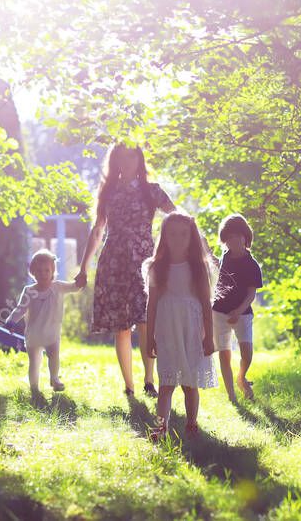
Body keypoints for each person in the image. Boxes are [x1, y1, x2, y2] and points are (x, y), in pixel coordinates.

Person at [75, 143, 176, 397]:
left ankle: (149, 380)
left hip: (144, 260)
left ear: (139, 160)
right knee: (121, 325)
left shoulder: (152, 191)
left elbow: (176, 217)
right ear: (115, 161)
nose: (127, 162)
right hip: (114, 261)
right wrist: (84, 267)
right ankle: (129, 386)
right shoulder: (108, 192)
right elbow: (98, 230)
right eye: (122, 157)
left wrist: (179, 250)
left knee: (145, 320)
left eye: (132, 157)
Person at [144, 212, 217, 440]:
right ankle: (160, 427)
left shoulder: (198, 267)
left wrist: (209, 337)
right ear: (164, 237)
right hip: (167, 330)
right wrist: (149, 338)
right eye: (172, 234)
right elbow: (152, 304)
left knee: (189, 383)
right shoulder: (157, 267)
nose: (177, 239)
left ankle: (192, 424)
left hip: (191, 329)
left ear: (191, 237)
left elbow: (206, 304)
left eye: (183, 234)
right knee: (166, 384)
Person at [4, 249, 81, 394]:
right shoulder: (29, 291)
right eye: (39, 271)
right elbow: (20, 309)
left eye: (47, 270)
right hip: (34, 335)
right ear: (33, 272)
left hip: (52, 334)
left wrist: (81, 280)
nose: (43, 274)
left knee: (54, 356)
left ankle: (54, 379)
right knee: (34, 362)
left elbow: (74, 287)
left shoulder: (58, 287)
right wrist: (11, 321)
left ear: (53, 271)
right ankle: (34, 388)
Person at [212, 214, 263, 401]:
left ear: (246, 238)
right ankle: (231, 395)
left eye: (238, 236)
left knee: (247, 354)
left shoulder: (252, 265)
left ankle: (241, 377)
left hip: (243, 314)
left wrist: (239, 311)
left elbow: (251, 294)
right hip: (219, 313)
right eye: (230, 237)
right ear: (225, 240)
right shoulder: (223, 259)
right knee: (224, 354)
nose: (234, 240)